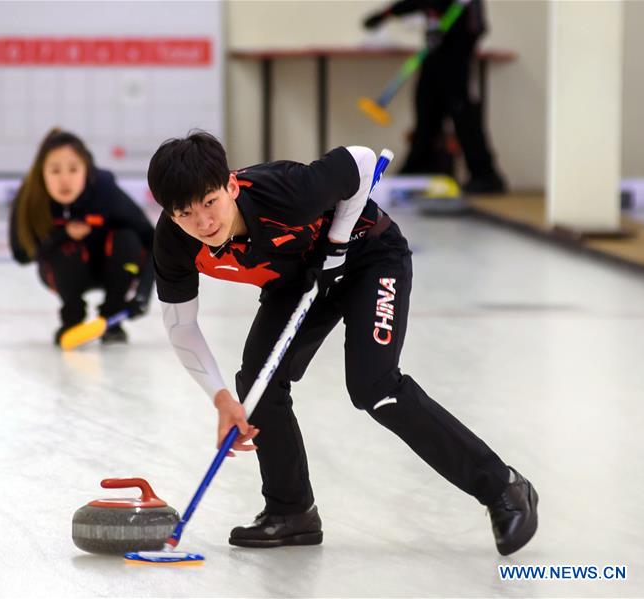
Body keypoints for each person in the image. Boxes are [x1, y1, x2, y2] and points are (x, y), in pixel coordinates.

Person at [147, 131, 537, 555]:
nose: (204, 222)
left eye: (210, 202)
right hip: (301, 280)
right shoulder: (174, 243)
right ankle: (290, 512)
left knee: (375, 387)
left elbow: (362, 160)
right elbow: (182, 327)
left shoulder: (286, 192)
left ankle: (505, 487)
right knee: (257, 382)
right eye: (186, 213)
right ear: (168, 213)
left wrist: (337, 243)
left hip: (370, 256)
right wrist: (220, 397)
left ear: (232, 186)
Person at [10, 128, 155, 344]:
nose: (64, 180)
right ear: (42, 172)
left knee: (127, 238)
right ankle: (72, 315)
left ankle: (112, 315)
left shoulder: (105, 190)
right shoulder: (31, 195)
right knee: (67, 248)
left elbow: (154, 241)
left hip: (113, 269)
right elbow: (22, 254)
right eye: (55, 171)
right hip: (63, 273)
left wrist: (143, 293)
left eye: (73, 169)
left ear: (86, 170)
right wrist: (63, 234)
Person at [363, 0, 507, 193]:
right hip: (433, 62)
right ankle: (417, 170)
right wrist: (384, 15)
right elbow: (410, 4)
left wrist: (451, 34)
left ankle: (486, 176)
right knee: (425, 118)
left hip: (457, 65)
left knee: (465, 122)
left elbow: (478, 28)